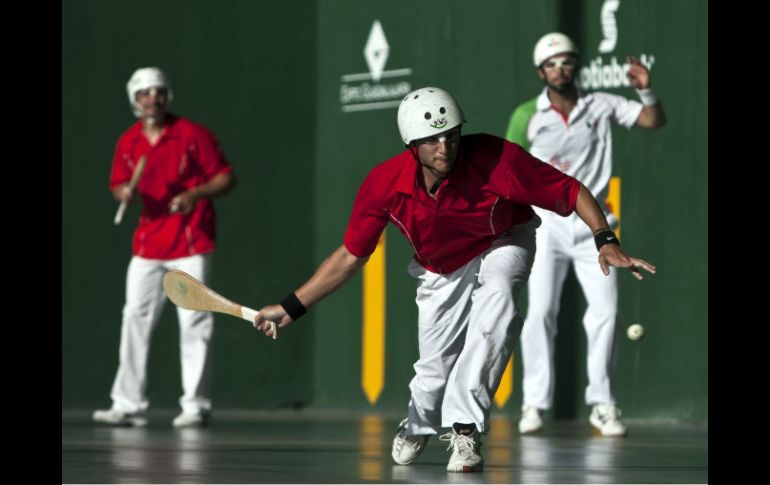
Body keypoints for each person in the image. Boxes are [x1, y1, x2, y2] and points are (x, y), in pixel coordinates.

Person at [254, 87, 654, 473]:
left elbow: (569, 189)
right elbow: (349, 257)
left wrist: (605, 239)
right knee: (433, 370)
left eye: (450, 136)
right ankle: (418, 421)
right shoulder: (384, 185)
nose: (444, 148)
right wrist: (292, 306)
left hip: (504, 237)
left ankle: (466, 429)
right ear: (412, 144)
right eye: (432, 141)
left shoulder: (497, 158)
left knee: (498, 301)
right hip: (441, 266)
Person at [505, 32, 666, 437]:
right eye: (551, 64)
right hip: (547, 226)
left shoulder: (601, 104)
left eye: (566, 61)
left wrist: (646, 91)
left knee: (606, 315)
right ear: (541, 72)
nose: (560, 69)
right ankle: (533, 404)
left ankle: (603, 405)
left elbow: (653, 120)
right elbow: (508, 168)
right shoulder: (527, 114)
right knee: (540, 311)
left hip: (598, 227)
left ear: (576, 66)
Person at [93, 67, 235, 428]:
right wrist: (122, 192)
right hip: (147, 244)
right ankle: (127, 403)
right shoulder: (128, 142)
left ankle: (196, 405)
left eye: (158, 92)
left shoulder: (192, 134)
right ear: (135, 100)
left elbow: (225, 177)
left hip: (190, 242)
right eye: (145, 93)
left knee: (194, 321)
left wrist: (194, 194)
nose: (152, 98)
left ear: (166, 96)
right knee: (134, 319)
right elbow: (117, 184)